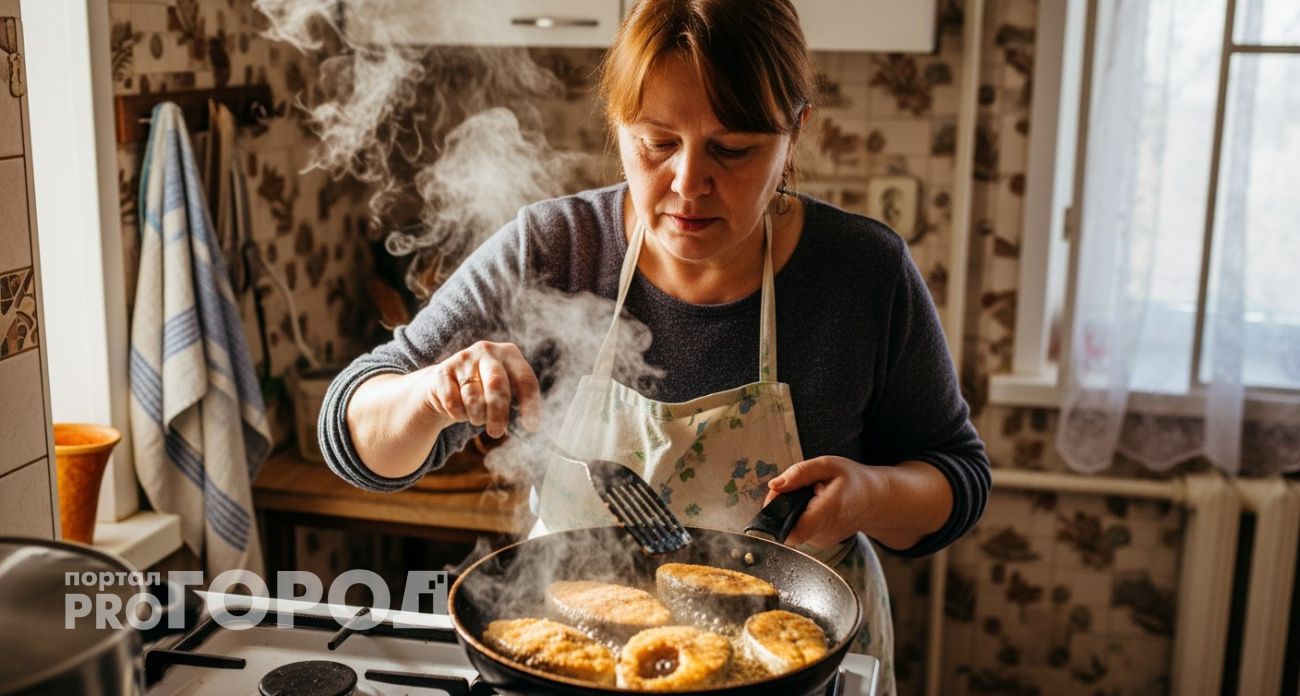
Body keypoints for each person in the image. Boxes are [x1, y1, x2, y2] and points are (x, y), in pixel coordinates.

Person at [320, 1, 989, 692]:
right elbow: (352, 437)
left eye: (733, 149)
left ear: (794, 135)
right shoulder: (555, 248)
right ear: (617, 125)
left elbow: (958, 477)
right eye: (657, 142)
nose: (688, 183)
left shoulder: (861, 273)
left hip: (791, 669)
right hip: (577, 662)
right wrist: (430, 394)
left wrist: (872, 493)